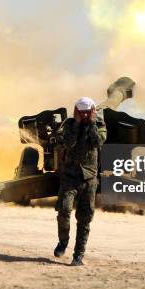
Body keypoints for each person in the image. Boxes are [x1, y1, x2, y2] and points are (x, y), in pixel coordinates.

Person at [53, 97, 107, 266]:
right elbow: (68, 143)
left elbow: (98, 142)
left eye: (87, 112)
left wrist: (91, 123)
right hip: (70, 176)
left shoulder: (99, 125)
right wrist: (76, 124)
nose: (84, 115)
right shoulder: (69, 125)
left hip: (89, 178)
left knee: (85, 218)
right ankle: (63, 242)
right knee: (64, 210)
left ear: (92, 111)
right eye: (81, 112)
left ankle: (78, 255)